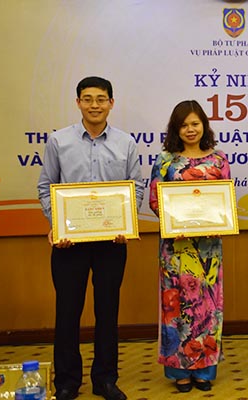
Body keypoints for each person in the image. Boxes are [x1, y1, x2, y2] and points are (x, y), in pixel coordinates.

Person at [37, 76, 144, 400]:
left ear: (111, 103)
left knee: (107, 313)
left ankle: (105, 379)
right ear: (78, 102)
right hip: (69, 245)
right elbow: (46, 186)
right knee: (67, 313)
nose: (94, 105)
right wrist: (58, 225)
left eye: (100, 99)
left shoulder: (126, 143)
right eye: (87, 99)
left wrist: (127, 223)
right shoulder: (59, 141)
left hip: (112, 243)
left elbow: (136, 187)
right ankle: (67, 382)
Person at [148, 100, 230, 393]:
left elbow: (225, 200)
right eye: (184, 125)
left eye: (195, 124)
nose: (190, 130)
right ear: (176, 129)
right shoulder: (165, 161)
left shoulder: (219, 159)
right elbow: (155, 200)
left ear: (204, 126)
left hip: (209, 249)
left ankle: (205, 371)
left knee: (207, 307)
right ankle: (179, 371)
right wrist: (177, 221)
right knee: (177, 308)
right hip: (175, 248)